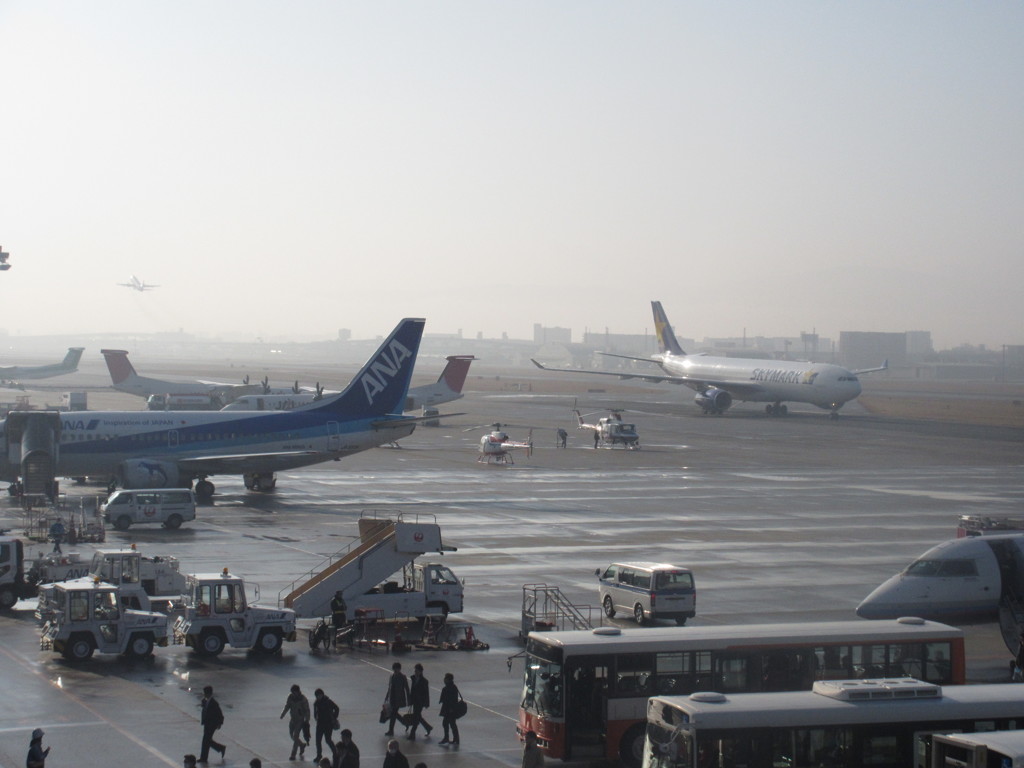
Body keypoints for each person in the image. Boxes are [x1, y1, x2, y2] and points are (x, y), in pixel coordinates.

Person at [281, 683, 311, 760]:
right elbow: (287, 706)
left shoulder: (303, 699)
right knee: (291, 735)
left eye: (294, 692)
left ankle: (293, 754)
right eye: (292, 692)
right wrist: (283, 713)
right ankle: (301, 745)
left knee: (295, 736)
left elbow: (307, 710)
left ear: (298, 691)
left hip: (300, 720)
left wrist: (307, 720)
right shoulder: (290, 697)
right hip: (293, 719)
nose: (293, 694)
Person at [199, 685, 227, 763]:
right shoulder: (205, 701)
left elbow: (220, 714)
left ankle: (204, 758)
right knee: (207, 740)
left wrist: (220, 723)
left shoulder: (214, 703)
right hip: (206, 723)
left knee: (206, 740)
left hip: (212, 724)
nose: (204, 694)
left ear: (209, 693)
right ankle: (220, 748)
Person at [313, 687, 340, 762]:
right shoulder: (316, 703)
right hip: (320, 724)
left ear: (322, 695)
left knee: (328, 739)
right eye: (316, 696)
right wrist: (316, 717)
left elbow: (337, 708)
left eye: (318, 695)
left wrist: (334, 717)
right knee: (318, 740)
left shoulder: (328, 702)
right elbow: (315, 712)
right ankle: (319, 755)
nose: (318, 697)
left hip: (328, 724)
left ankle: (335, 752)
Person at [407, 663, 432, 740]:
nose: (416, 672)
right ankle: (428, 727)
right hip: (414, 701)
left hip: (420, 702)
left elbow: (426, 693)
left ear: (421, 671)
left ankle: (412, 733)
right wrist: (410, 700)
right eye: (415, 671)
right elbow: (412, 690)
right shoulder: (414, 679)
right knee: (417, 716)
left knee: (416, 717)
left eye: (417, 671)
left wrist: (426, 703)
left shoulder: (424, 681)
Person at [383, 661, 409, 736]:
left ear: (399, 669)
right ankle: (405, 723)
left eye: (396, 669)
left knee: (393, 714)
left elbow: (406, 688)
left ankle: (391, 730)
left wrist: (408, 699)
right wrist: (387, 696)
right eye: (394, 669)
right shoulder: (391, 676)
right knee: (394, 714)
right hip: (392, 698)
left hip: (399, 699)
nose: (395, 670)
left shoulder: (403, 677)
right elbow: (389, 687)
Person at [438, 672, 461, 746]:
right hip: (450, 709)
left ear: (448, 679)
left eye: (445, 678)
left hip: (449, 709)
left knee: (447, 723)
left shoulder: (449, 688)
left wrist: (451, 708)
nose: (444, 680)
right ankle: (455, 739)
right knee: (451, 723)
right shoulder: (453, 687)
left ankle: (448, 738)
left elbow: (452, 699)